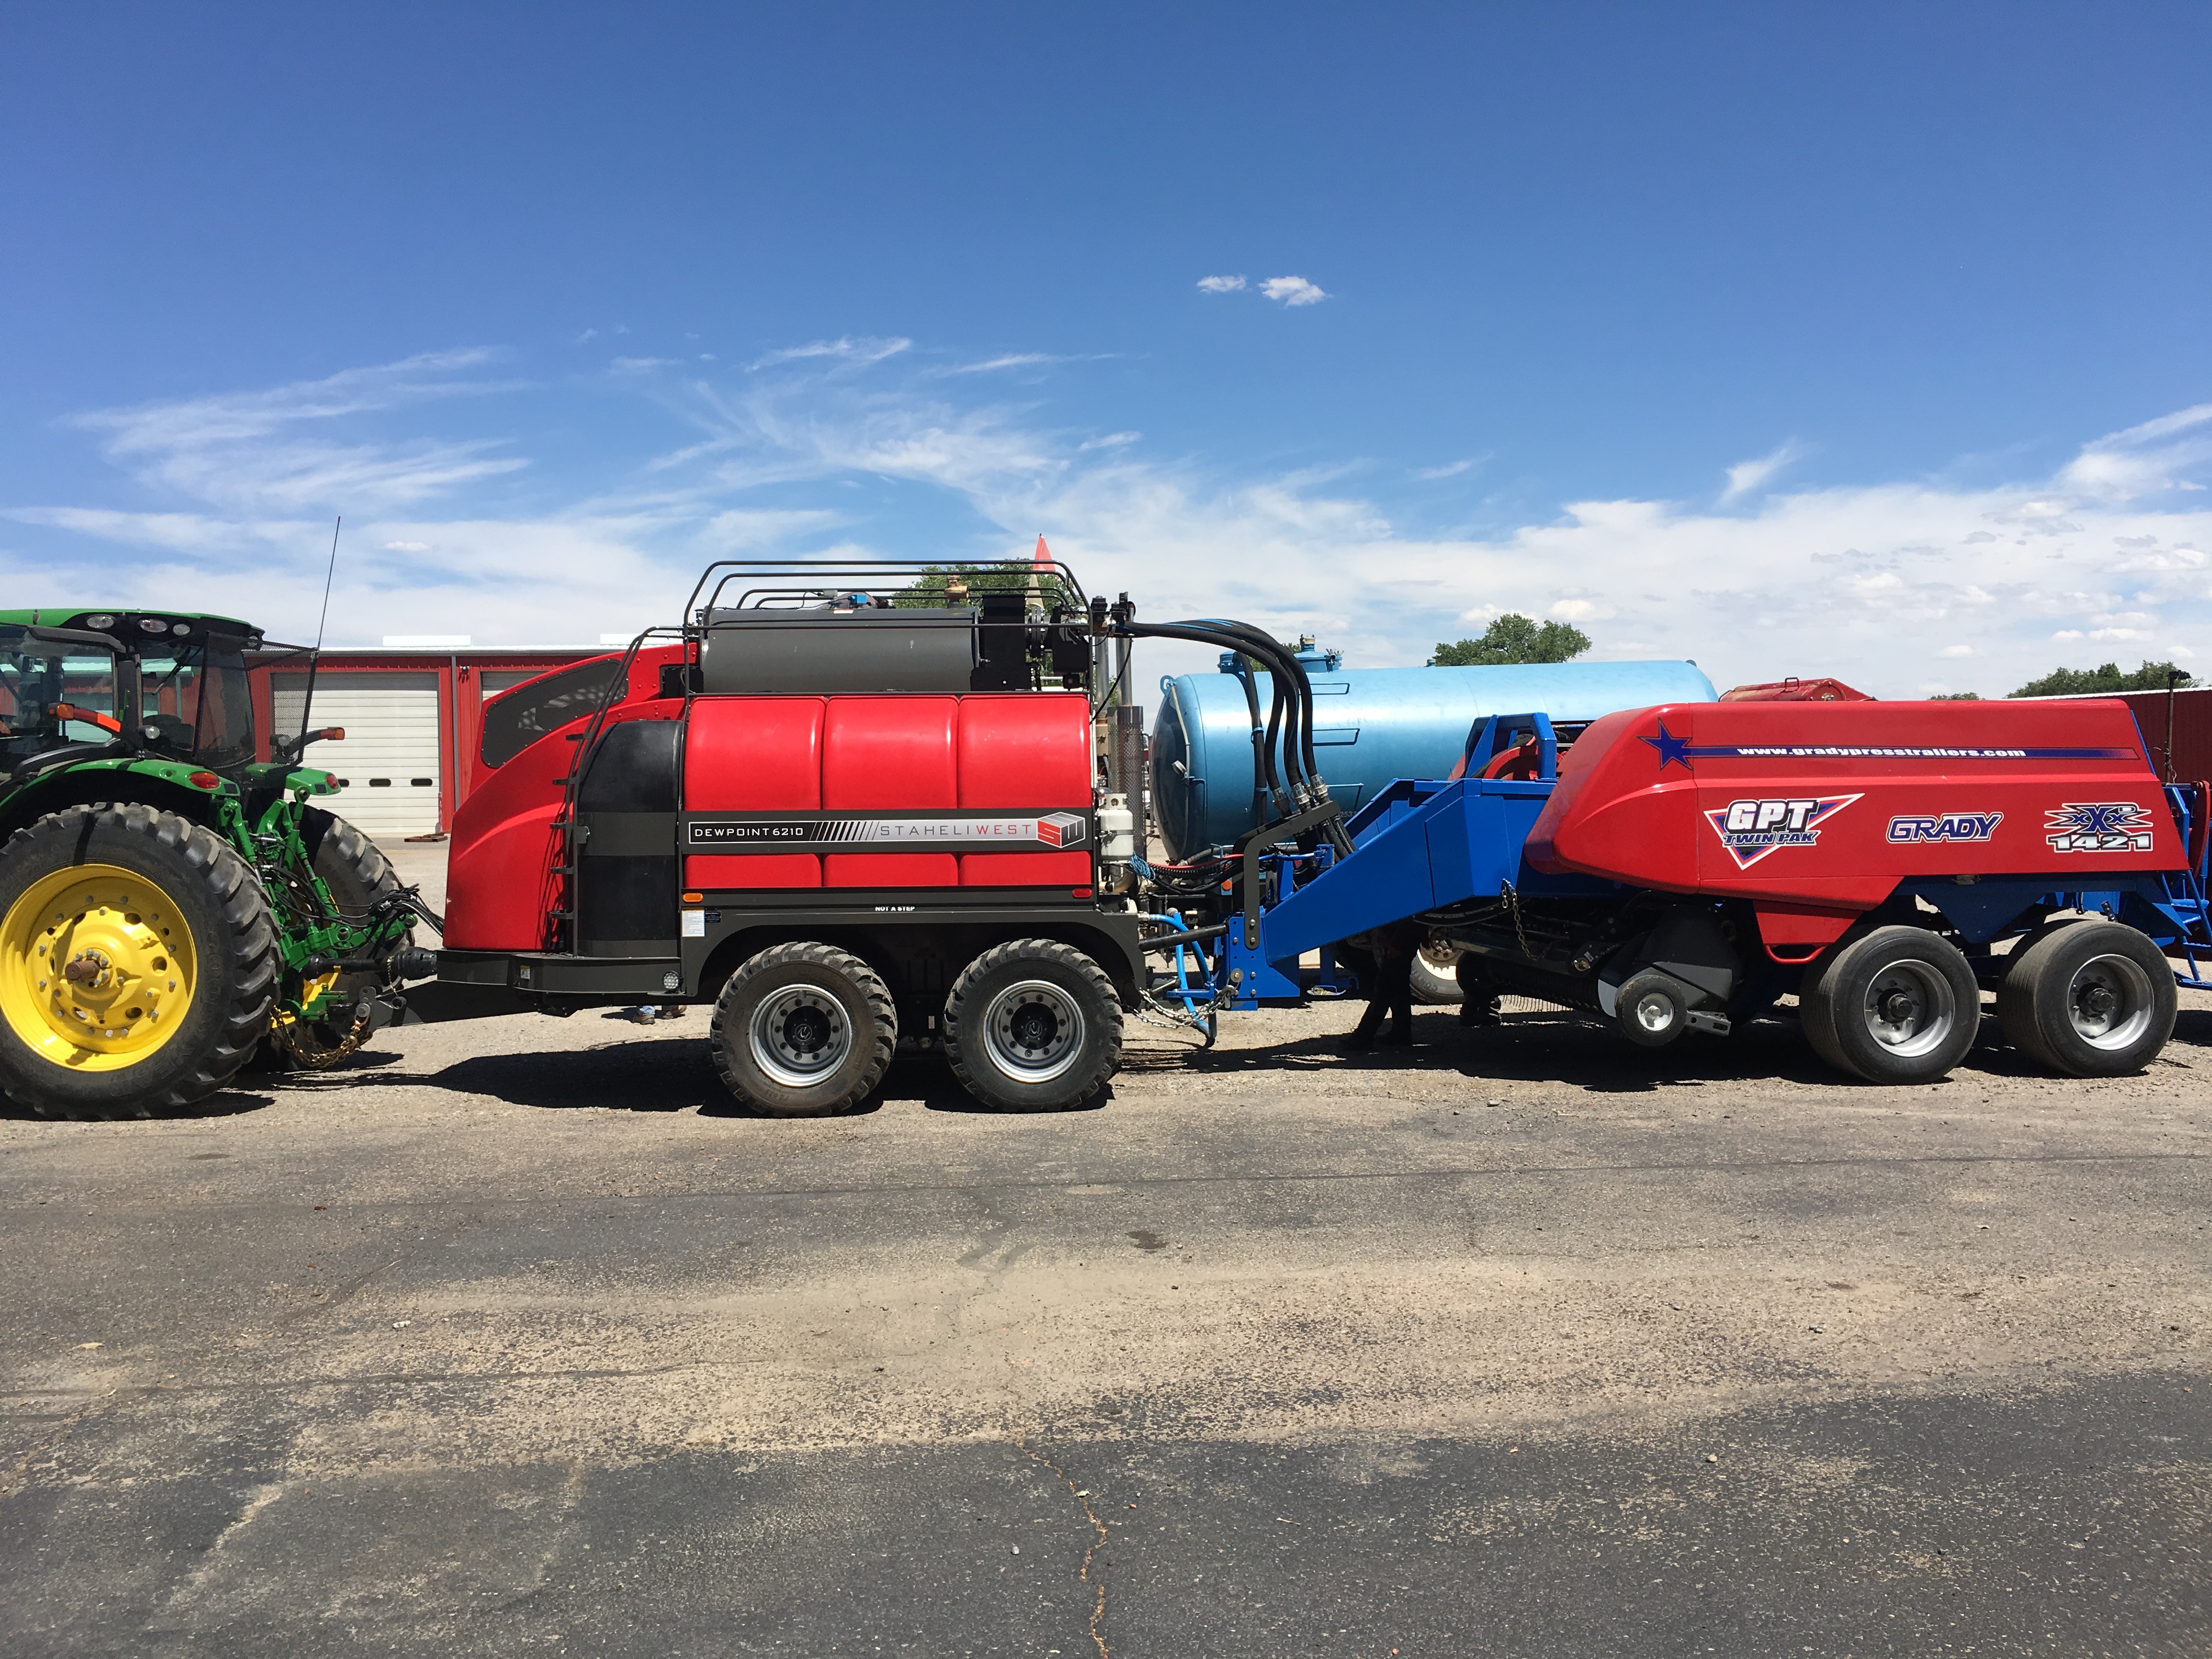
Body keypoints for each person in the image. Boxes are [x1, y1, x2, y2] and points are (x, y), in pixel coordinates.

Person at [1341, 918, 1425, 1049]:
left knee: (1383, 991)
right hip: (1402, 941)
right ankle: (1401, 1033)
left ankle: (1364, 1037)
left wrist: (1397, 944)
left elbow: (1409, 921)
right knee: (1399, 990)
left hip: (1401, 943)